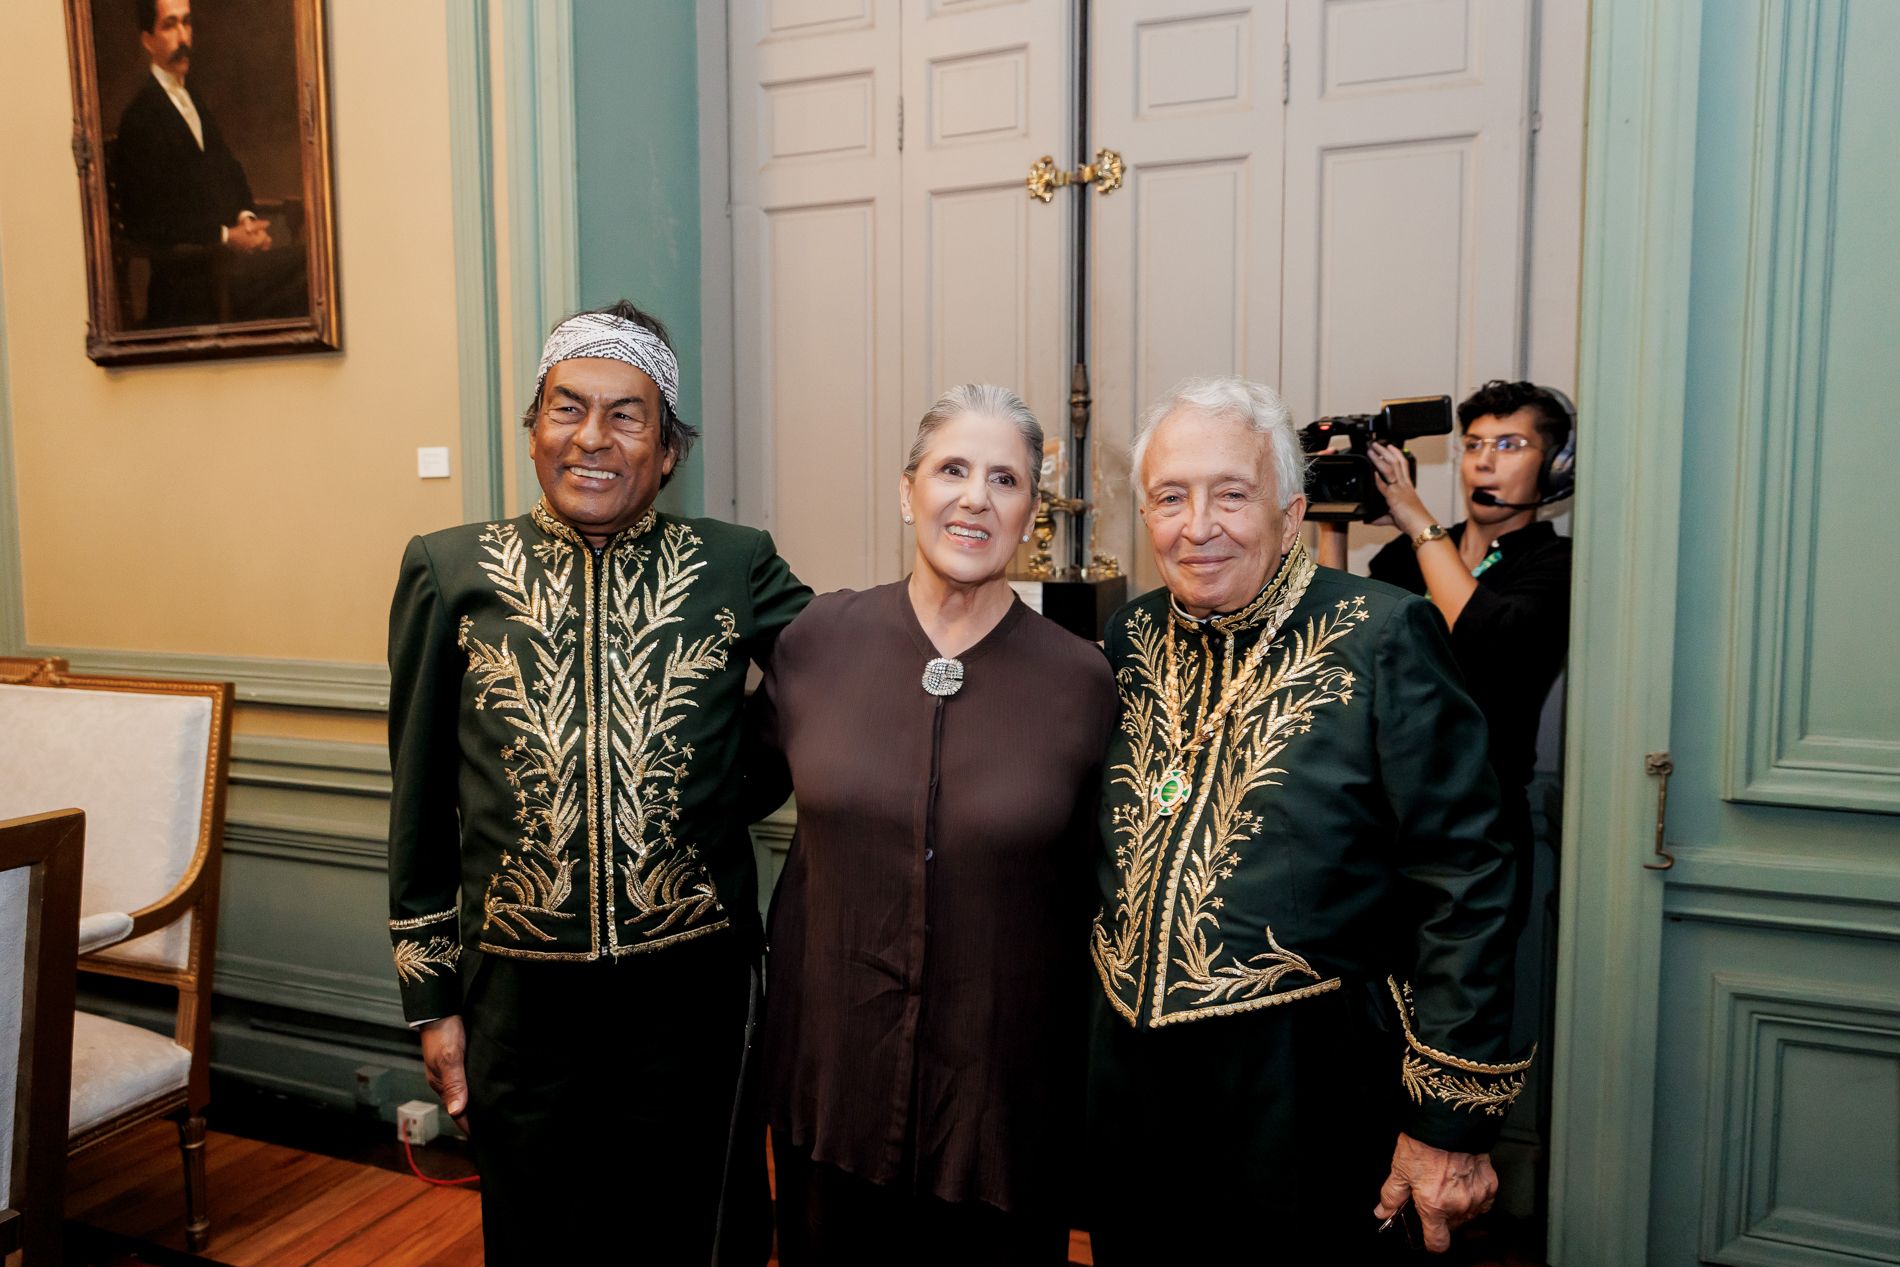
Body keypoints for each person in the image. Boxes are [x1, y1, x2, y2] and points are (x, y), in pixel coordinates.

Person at [385, 301, 809, 1264]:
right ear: (533, 429)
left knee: (699, 1231)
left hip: (694, 993)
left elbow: (831, 680)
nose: (593, 437)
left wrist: (728, 788)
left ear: (667, 451)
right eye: (567, 407)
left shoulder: (734, 561)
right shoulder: (450, 571)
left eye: (628, 415)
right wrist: (432, 1002)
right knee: (542, 1237)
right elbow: (418, 802)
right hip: (517, 1003)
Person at [1083, 377, 1530, 1260]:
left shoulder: (1384, 631)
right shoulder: (1129, 636)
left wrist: (1447, 1121)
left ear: (1290, 513)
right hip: (1133, 1097)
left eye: (1231, 494)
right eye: (1170, 496)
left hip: (1309, 1094)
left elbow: (1468, 876)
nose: (1197, 524)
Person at [749, 386, 1117, 1265]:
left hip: (999, 1105)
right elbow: (718, 790)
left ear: (1032, 510)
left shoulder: (1082, 681)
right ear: (907, 489)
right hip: (832, 1083)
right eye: (952, 469)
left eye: (1006, 479)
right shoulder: (817, 641)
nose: (975, 498)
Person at [1365, 380, 1575, 931]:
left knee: (1463, 1007)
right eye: (1475, 445)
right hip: (1387, 816)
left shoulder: (1557, 562)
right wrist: (1334, 519)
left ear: (1555, 466)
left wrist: (1416, 519)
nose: (1484, 463)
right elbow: (1345, 636)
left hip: (1481, 823)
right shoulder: (1414, 551)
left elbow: (1490, 639)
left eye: (1509, 446)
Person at [113, 0, 307, 326]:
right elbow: (148, 222)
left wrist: (245, 219)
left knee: (315, 265)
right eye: (170, 25)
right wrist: (226, 237)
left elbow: (230, 173)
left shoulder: (193, 101)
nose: (183, 37)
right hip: (188, 289)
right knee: (311, 270)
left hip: (223, 271)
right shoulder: (139, 120)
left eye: (187, 23)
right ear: (148, 40)